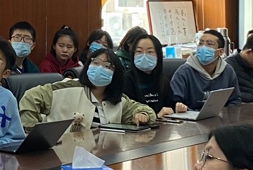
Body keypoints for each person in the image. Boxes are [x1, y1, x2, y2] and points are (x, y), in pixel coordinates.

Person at [18, 47, 156, 128]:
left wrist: (142, 115)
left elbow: (146, 111)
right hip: (62, 156)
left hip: (105, 156)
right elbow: (31, 97)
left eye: (107, 66)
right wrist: (31, 133)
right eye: (95, 62)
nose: (99, 68)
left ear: (116, 74)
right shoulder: (67, 87)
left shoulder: (119, 100)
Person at [169, 28, 241, 109]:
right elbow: (175, 102)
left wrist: (226, 113)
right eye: (200, 43)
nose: (203, 47)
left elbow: (235, 100)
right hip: (191, 115)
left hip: (220, 115)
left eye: (209, 44)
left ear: (220, 51)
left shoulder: (227, 71)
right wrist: (182, 108)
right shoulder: (184, 72)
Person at [120, 31, 182, 117]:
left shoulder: (162, 80)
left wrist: (178, 106)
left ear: (158, 55)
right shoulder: (126, 81)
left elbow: (170, 104)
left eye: (150, 51)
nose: (144, 55)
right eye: (139, 51)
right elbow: (128, 115)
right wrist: (156, 117)